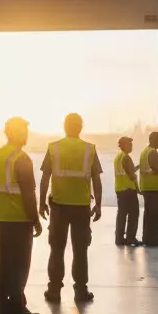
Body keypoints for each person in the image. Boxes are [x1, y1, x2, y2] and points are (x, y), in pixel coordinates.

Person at [39, 113, 102, 303]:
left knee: (57, 249)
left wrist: (41, 202)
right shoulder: (89, 149)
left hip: (59, 207)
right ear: (80, 128)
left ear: (64, 127)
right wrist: (98, 205)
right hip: (82, 207)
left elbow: (45, 178)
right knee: (80, 250)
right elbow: (96, 180)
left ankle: (54, 291)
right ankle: (81, 291)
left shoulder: (54, 148)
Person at [0, 116, 43, 314]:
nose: (25, 135)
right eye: (22, 131)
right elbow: (28, 194)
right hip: (19, 220)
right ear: (10, 133)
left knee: (2, 262)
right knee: (20, 265)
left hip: (1, 219)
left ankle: (0, 307)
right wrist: (35, 219)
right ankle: (18, 308)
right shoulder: (21, 159)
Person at [113, 137, 140, 247]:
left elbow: (129, 170)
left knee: (122, 215)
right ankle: (130, 238)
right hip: (129, 190)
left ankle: (119, 239)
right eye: (129, 143)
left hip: (120, 190)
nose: (131, 145)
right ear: (123, 145)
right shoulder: (126, 158)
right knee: (133, 214)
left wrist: (138, 166)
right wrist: (138, 189)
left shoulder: (118, 157)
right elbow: (132, 176)